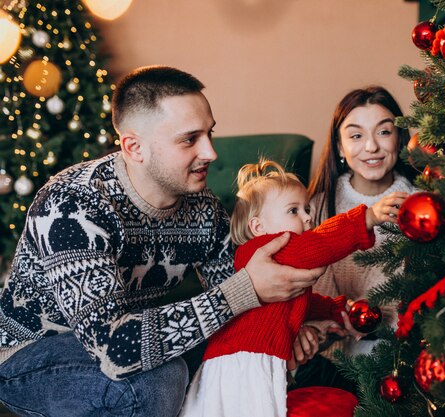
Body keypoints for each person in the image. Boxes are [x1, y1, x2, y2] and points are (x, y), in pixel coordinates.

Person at [0, 66, 325, 417]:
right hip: (29, 356)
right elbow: (115, 350)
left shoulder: (203, 208)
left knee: (223, 352)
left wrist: (291, 329)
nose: (211, 153)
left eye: (209, 134)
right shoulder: (72, 206)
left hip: (133, 334)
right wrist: (243, 291)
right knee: (161, 378)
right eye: (190, 139)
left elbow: (237, 297)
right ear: (134, 147)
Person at [179, 159, 408, 417]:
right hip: (246, 360)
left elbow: (301, 304)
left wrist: (334, 309)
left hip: (233, 359)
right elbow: (321, 243)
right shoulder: (270, 248)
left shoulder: (275, 265)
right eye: (293, 211)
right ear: (258, 227)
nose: (308, 217)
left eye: (306, 208)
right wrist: (367, 217)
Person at [294, 86, 419, 389]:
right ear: (339, 147)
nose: (372, 147)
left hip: (407, 360)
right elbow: (314, 298)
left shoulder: (422, 205)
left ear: (401, 139)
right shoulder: (317, 208)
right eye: (356, 135)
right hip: (340, 366)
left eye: (384, 132)